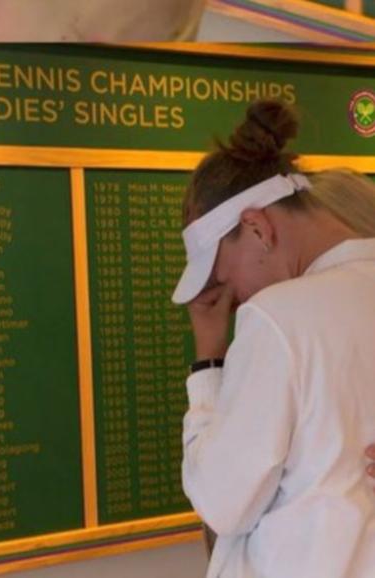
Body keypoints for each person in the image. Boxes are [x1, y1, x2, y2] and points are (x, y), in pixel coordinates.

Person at [173, 99, 375, 578]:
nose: (234, 297)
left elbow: (222, 501)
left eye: (225, 277)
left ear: (257, 227)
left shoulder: (278, 317)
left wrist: (208, 362)